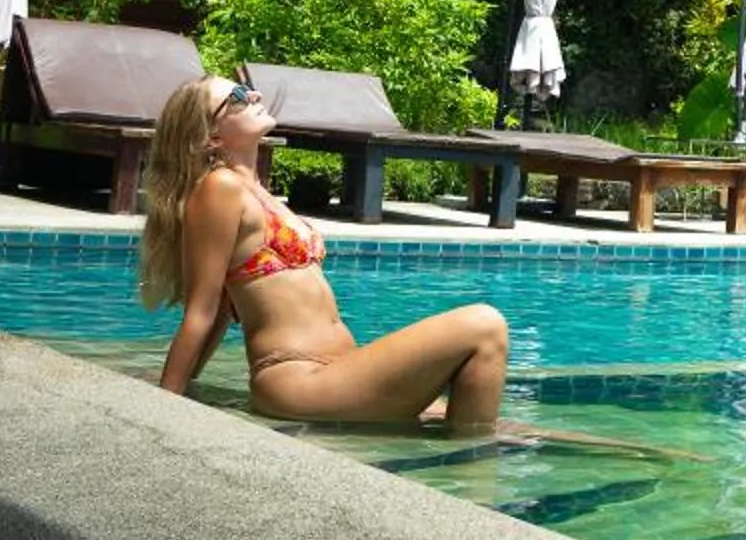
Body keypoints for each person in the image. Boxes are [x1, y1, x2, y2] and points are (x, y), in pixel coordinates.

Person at [139, 76, 510, 431]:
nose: (253, 96)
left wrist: (192, 380)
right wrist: (166, 406)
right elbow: (201, 311)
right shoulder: (220, 188)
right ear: (211, 137)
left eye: (248, 89)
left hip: (340, 368)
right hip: (297, 377)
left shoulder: (257, 191)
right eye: (236, 97)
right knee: (485, 324)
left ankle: (472, 457)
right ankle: (474, 464)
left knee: (507, 425)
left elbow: (224, 307)